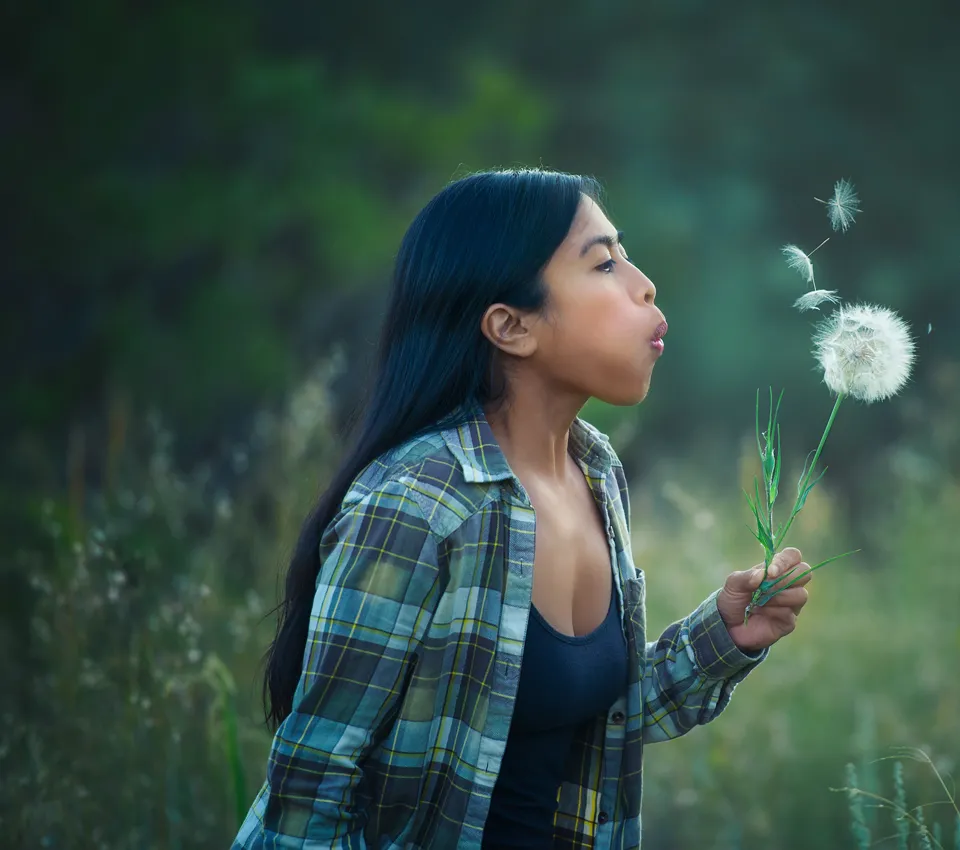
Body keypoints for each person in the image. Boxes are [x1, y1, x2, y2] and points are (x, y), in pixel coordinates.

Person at [233, 168, 813, 849]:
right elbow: (312, 787)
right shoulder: (418, 504)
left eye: (625, 255)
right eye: (603, 264)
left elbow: (595, 720)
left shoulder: (595, 473)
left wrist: (726, 637)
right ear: (510, 327)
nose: (644, 285)